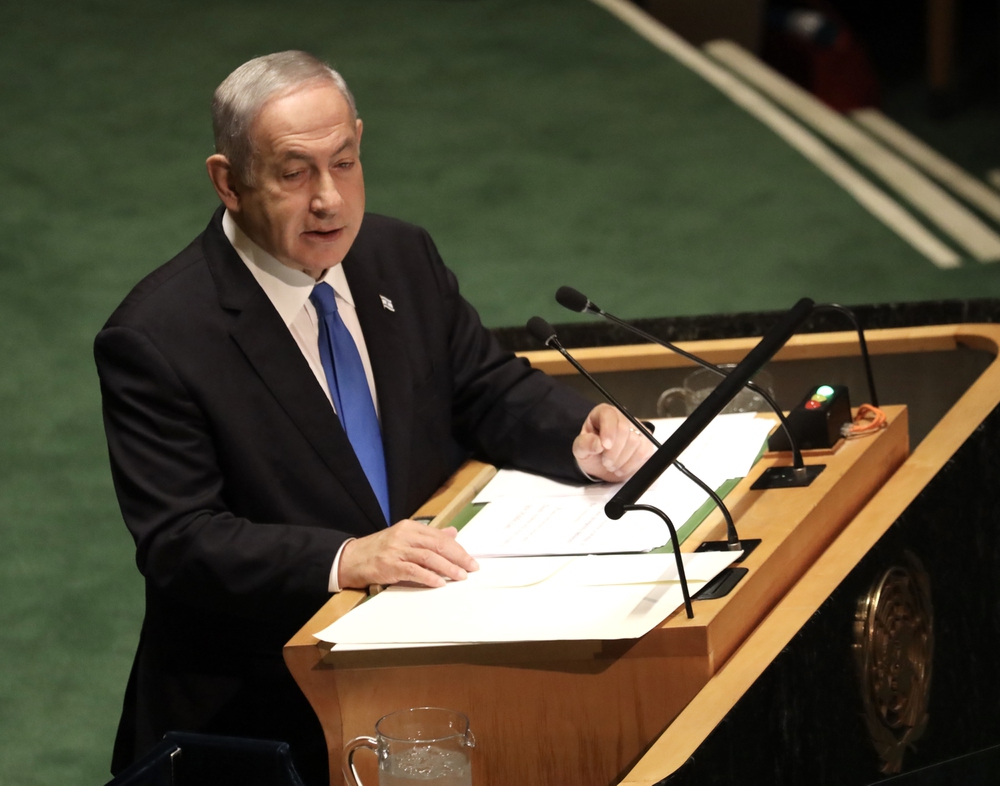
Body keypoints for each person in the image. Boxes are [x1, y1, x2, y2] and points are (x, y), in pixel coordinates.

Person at [95, 50, 653, 784]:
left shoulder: (398, 254)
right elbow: (181, 540)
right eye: (294, 173)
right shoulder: (159, 336)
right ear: (228, 181)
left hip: (433, 662)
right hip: (265, 715)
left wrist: (580, 432)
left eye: (345, 162)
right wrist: (346, 557)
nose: (329, 199)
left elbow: (482, 387)